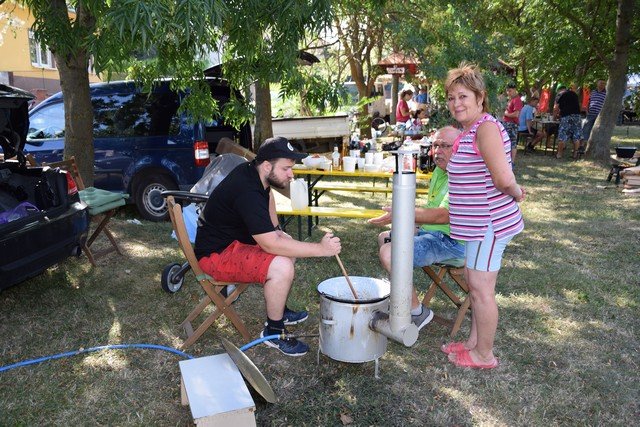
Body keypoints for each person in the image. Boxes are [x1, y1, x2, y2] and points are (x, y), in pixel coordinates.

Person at [194, 136, 342, 357]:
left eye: (291, 168)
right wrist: (321, 249)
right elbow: (270, 244)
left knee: (287, 243)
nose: (291, 175)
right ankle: (273, 331)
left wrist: (276, 229)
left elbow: (268, 196)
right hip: (216, 256)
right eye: (286, 169)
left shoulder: (254, 174)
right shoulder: (247, 191)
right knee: (282, 265)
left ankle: (279, 311)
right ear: (266, 165)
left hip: (232, 244)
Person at [443, 64, 525, 369]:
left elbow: (503, 178)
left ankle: (484, 355)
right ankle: (473, 344)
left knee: (481, 289)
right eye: (451, 98)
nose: (456, 103)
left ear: (480, 97)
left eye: (463, 96)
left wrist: (516, 192)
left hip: (489, 225)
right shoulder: (470, 130)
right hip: (476, 227)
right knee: (475, 285)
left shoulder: (486, 128)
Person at [369, 126, 465, 331]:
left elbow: (443, 215)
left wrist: (402, 213)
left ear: (460, 147)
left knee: (390, 252)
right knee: (384, 237)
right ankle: (402, 298)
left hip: (453, 242)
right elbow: (432, 210)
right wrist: (409, 224)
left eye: (445, 146)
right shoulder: (440, 171)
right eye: (435, 145)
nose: (437, 151)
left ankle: (416, 310)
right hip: (434, 232)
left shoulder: (462, 176)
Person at [553, 84, 583, 159]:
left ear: (560, 90)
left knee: (562, 135)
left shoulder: (560, 94)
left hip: (566, 116)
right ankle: (575, 155)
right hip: (577, 116)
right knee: (576, 135)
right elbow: (579, 105)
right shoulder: (574, 94)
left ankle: (559, 154)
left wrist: (554, 117)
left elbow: (556, 108)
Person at [501, 82, 523, 163]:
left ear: (515, 90)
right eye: (507, 91)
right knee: (506, 142)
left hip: (512, 124)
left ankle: (512, 161)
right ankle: (507, 160)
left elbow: (516, 114)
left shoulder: (517, 100)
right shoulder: (511, 99)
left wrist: (505, 114)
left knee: (512, 142)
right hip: (507, 123)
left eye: (510, 91)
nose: (508, 93)